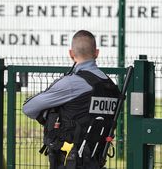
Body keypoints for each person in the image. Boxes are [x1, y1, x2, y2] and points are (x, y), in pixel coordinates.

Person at [23, 30, 120, 169]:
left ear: (71, 54)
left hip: (70, 162)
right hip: (96, 160)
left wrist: (49, 114)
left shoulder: (71, 83)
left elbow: (28, 108)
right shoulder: (110, 86)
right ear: (97, 53)